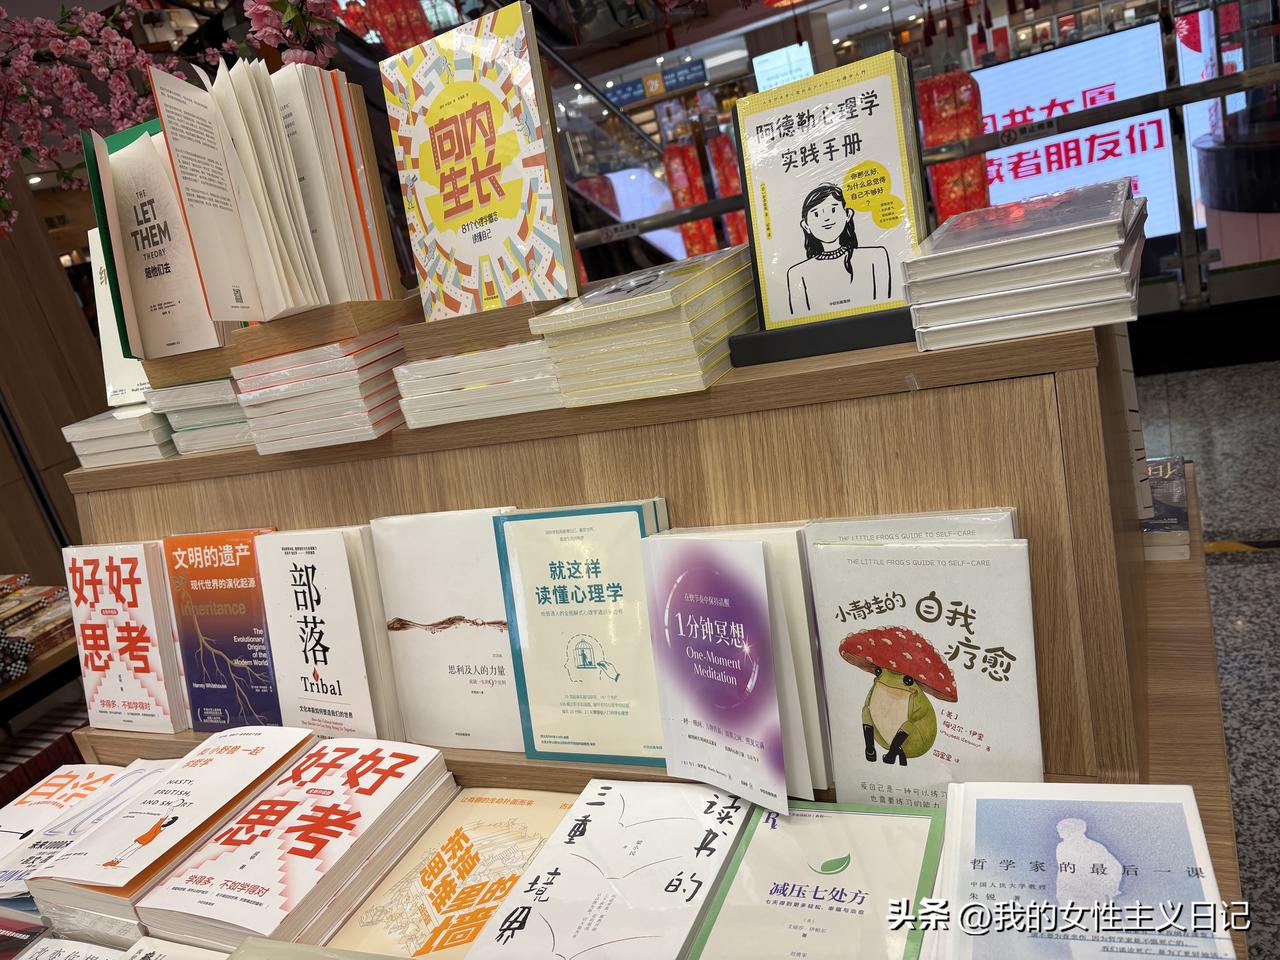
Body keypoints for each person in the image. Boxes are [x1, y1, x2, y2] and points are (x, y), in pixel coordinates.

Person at [786, 183, 892, 316]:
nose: (826, 218)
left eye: (833, 210)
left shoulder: (876, 257)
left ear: (848, 214)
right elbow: (800, 320)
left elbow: (886, 310)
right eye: (816, 214)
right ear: (806, 225)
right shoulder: (797, 274)